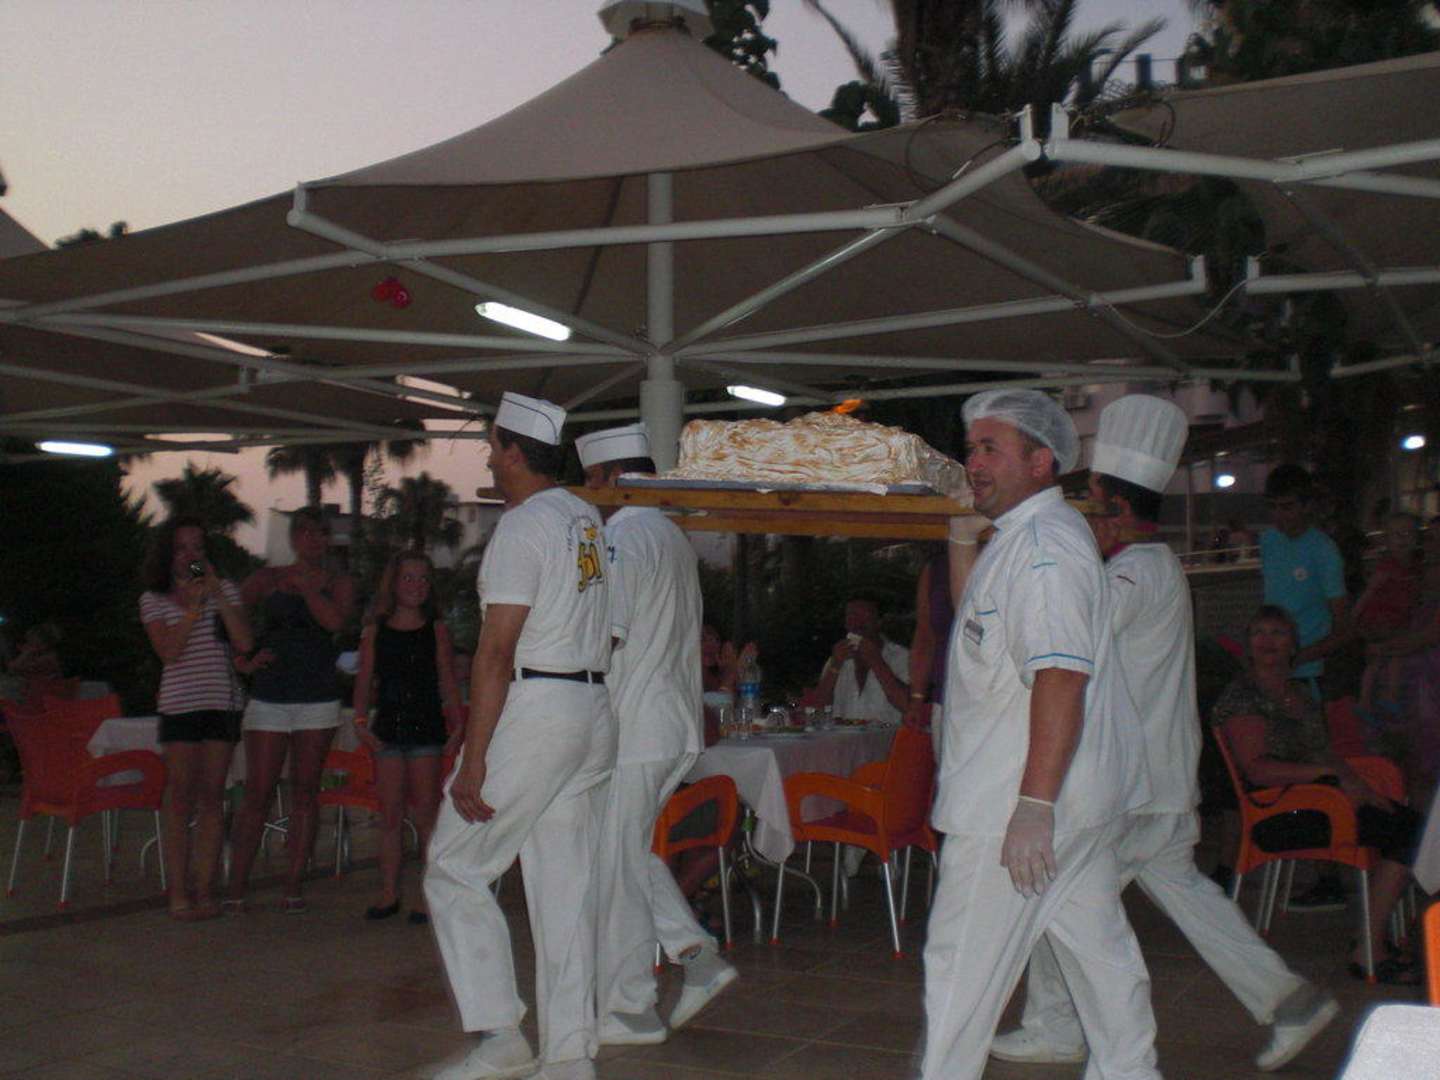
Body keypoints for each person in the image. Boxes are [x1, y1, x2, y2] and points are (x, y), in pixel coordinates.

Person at [991, 396, 1337, 1073]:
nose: (1085, 514)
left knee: (1060, 896)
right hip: (1158, 777)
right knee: (1164, 897)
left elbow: (1072, 624)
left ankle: (1066, 1029)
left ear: (1117, 509)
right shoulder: (1151, 565)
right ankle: (1288, 1000)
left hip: (1136, 783)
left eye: (1092, 501)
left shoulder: (1135, 573)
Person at [921, 388, 1159, 1080]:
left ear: (1041, 461)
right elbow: (982, 625)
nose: (973, 463)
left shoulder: (1044, 548)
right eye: (972, 448)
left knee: (961, 969)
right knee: (1101, 957)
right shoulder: (1024, 538)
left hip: (1014, 803)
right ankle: (1133, 1073)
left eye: (990, 448)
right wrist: (961, 540)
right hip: (1068, 799)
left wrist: (1033, 806)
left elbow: (1059, 675)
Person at [423, 393, 615, 1080]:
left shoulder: (524, 527)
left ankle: (501, 1035)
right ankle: (569, 1053)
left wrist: (474, 758)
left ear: (511, 451)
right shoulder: (586, 519)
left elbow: (495, 651)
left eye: (491, 445)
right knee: (563, 885)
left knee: (455, 865)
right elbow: (612, 629)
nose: (488, 458)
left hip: (541, 707)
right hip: (591, 707)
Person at [577, 422, 739, 1048]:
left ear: (609, 477)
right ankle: (696, 955)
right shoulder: (671, 535)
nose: (590, 496)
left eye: (591, 482)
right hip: (669, 722)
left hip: (637, 725)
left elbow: (604, 638)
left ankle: (631, 1007)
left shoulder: (620, 537)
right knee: (623, 852)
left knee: (615, 864)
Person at [1215, 605, 1426, 985]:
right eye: (1259, 633)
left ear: (1294, 646)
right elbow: (1258, 770)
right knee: (1410, 834)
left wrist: (1357, 784)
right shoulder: (1244, 696)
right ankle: (1369, 947)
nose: (1267, 641)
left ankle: (1375, 934)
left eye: (1278, 633)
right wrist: (1330, 777)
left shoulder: (1297, 693)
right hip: (1280, 812)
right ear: (1248, 645)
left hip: (1317, 800)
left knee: (1412, 827)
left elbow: (1324, 752)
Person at [225, 506, 356, 914]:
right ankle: (236, 885)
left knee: (305, 791)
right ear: (294, 538)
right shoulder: (267, 578)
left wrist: (309, 590)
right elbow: (228, 611)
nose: (313, 540)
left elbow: (335, 623)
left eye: (320, 533)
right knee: (258, 792)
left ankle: (293, 884)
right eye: (305, 532)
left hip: (317, 695)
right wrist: (241, 659)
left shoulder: (339, 581)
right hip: (270, 694)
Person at [139, 516, 253, 921]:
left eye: (198, 547)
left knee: (212, 798)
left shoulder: (225, 591)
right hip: (181, 704)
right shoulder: (153, 599)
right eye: (182, 548)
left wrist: (216, 594)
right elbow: (169, 652)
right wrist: (190, 609)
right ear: (168, 555)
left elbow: (244, 642)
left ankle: (206, 890)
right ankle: (178, 892)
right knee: (180, 798)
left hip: (221, 702)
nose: (191, 555)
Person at [351, 550, 464, 923]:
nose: (417, 585)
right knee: (390, 815)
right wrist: (360, 722)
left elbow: (447, 679)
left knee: (426, 814)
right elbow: (364, 679)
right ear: (394, 583)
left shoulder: (437, 630)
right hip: (388, 728)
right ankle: (389, 893)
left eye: (423, 578)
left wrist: (457, 723)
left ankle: (427, 896)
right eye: (409, 577)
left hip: (426, 727)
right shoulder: (375, 631)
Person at [1258, 464, 1351, 911]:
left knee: (1314, 772)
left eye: (1290, 507)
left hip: (1305, 677)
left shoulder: (1323, 551)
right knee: (1280, 771)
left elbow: (1343, 626)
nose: (1283, 516)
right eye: (1276, 508)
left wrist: (1301, 656)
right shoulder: (1269, 541)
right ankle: (1302, 859)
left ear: (1307, 506)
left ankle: (1327, 874)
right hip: (1273, 674)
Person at [1366, 517, 1440, 801]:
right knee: (1413, 764)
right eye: (1430, 537)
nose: (1431, 545)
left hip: (1428, 683)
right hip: (1412, 683)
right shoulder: (1415, 574)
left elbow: (1429, 635)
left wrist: (1384, 648)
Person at [1353, 511, 1422, 723]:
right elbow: (1369, 593)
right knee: (1380, 659)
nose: (1403, 539)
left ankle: (1387, 696)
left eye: (1408, 534)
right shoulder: (1387, 567)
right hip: (1381, 620)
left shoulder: (1412, 567)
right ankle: (1367, 701)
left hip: (1396, 620)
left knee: (1393, 657)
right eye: (1397, 535)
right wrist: (1354, 616)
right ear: (1386, 539)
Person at [809, 596, 910, 724]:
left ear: (879, 622)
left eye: (865, 616)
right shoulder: (837, 659)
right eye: (852, 616)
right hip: (842, 736)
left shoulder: (902, 657)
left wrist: (877, 662)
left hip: (890, 736)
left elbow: (908, 705)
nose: (857, 623)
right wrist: (835, 665)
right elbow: (816, 711)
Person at [905, 549, 952, 759]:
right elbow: (925, 635)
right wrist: (917, 698)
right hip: (946, 695)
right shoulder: (936, 567)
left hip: (1002, 693)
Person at [8, 621, 63, 702]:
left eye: (31, 642)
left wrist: (26, 653)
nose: (27, 644)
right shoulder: (38, 655)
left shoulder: (48, 659)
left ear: (43, 644)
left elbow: (13, 668)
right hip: (37, 694)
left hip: (46, 698)